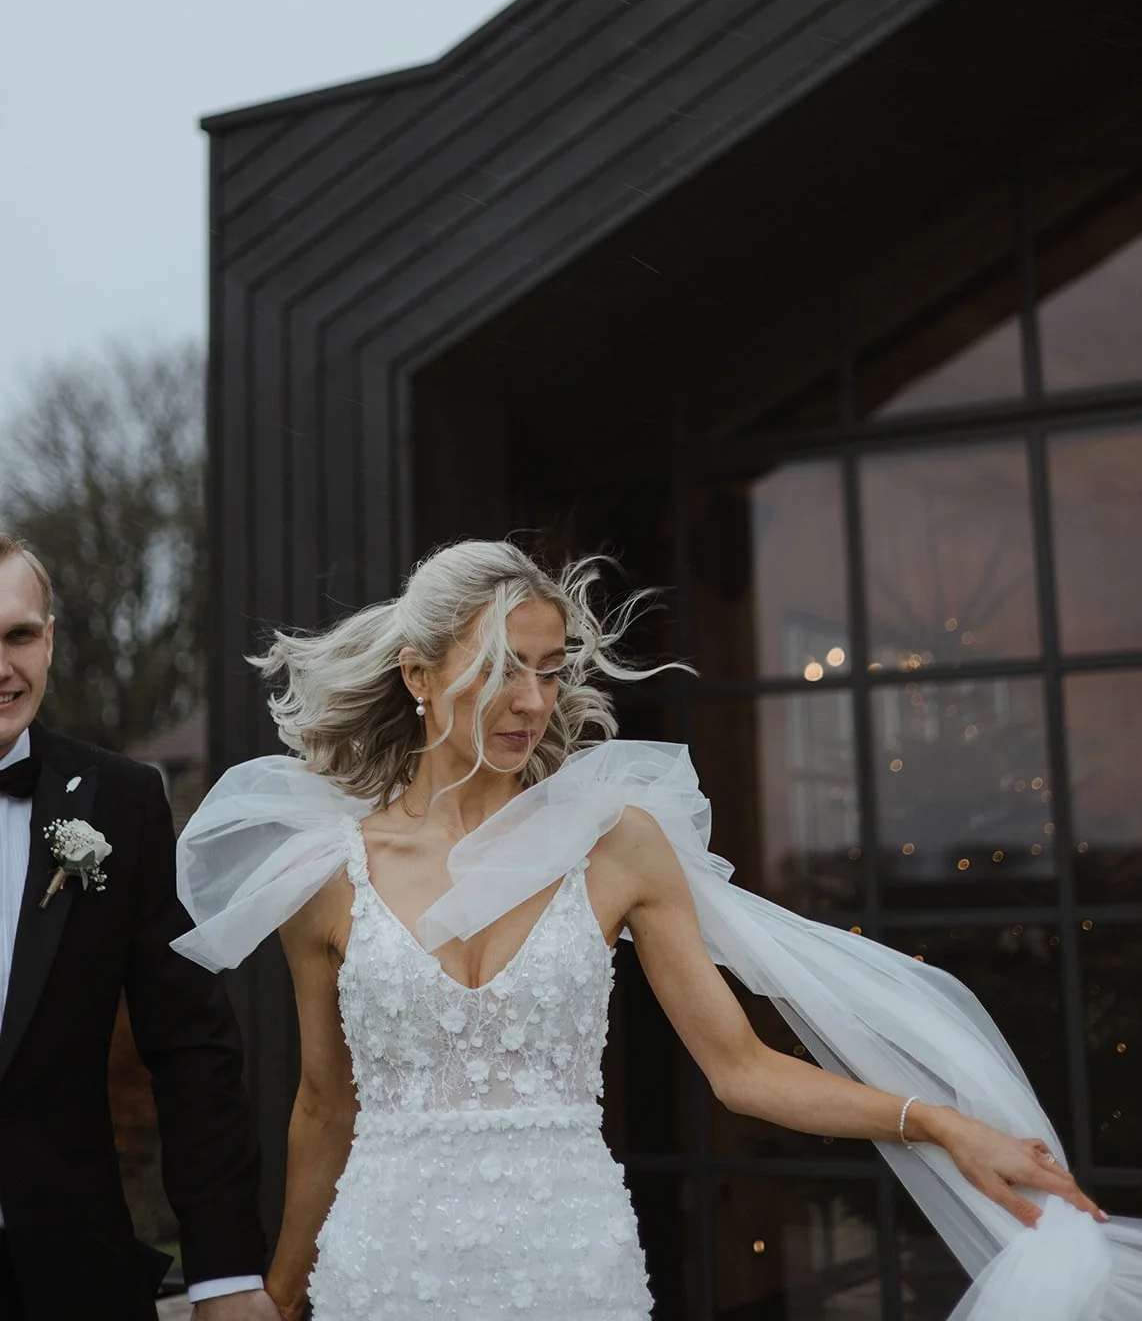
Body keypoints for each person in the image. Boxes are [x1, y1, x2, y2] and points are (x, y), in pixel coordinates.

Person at [173, 540, 1142, 1321]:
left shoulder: (614, 846)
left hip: (570, 1263)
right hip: (381, 1268)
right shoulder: (327, 878)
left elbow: (741, 1069)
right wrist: (283, 1291)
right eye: (505, 669)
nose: (533, 702)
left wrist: (933, 1121)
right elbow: (322, 1106)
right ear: (418, 674)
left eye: (550, 673)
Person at [0, 534, 280, 1321]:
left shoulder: (120, 803)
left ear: (50, 638)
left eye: (19, 635)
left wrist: (225, 1272)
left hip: (68, 1278)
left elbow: (192, 1048)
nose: (1, 668)